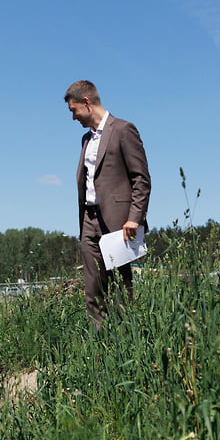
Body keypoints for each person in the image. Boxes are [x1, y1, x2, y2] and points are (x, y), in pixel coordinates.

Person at [64, 80, 151, 328]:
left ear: (87, 103)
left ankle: (124, 346)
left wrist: (134, 217)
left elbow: (141, 179)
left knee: (121, 291)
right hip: (88, 221)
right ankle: (100, 353)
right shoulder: (86, 139)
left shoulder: (123, 130)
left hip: (119, 223)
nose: (73, 118)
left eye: (74, 111)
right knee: (93, 290)